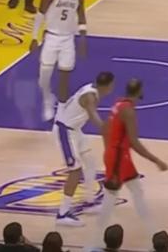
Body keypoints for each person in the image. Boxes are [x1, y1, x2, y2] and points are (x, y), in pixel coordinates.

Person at [93, 79, 168, 247]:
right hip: (119, 159)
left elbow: (104, 128)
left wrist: (109, 150)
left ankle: (153, 233)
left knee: (137, 192)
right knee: (109, 200)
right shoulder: (128, 111)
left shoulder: (118, 104)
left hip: (119, 157)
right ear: (139, 91)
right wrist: (156, 160)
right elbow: (134, 142)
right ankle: (95, 242)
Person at [53, 71, 115, 226]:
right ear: (108, 86)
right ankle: (62, 214)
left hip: (75, 130)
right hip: (65, 131)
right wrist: (107, 129)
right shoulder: (90, 97)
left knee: (90, 162)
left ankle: (89, 202)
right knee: (75, 171)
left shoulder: (91, 89)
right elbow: (94, 117)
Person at [30, 0, 87, 121]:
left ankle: (61, 110)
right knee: (44, 76)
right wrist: (34, 38)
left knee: (64, 76)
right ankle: (48, 99)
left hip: (68, 39)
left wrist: (82, 39)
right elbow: (40, 15)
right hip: (51, 37)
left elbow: (82, 17)